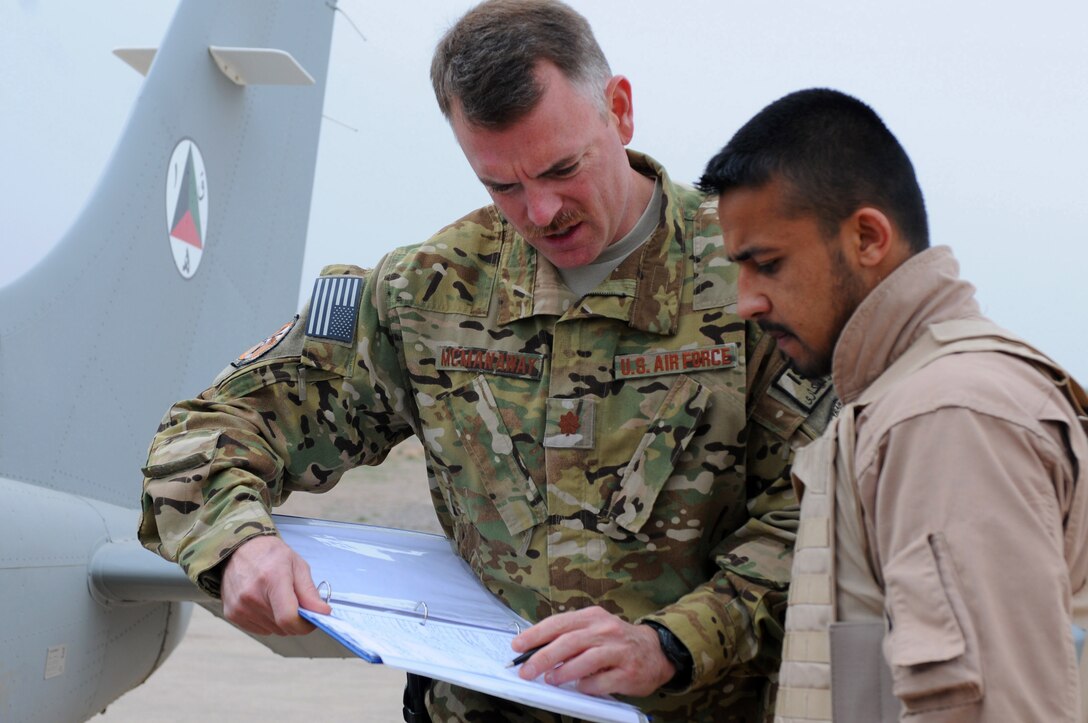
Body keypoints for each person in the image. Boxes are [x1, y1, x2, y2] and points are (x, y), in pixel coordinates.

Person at [138, 2, 835, 720]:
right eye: (502, 186)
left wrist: (670, 643)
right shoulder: (424, 293)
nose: (540, 212)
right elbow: (202, 434)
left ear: (619, 112)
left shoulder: (753, 274)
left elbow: (819, 517)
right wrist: (240, 545)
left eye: (563, 168)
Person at [698, 87, 1088, 722]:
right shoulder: (891, 407)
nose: (746, 302)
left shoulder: (946, 418)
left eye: (767, 264)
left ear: (868, 238)